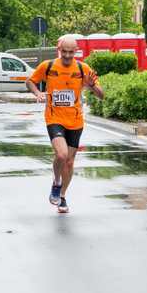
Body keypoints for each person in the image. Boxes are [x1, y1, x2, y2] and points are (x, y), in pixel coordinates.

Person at [25, 36, 104, 213]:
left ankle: (62, 196)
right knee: (61, 155)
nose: (67, 56)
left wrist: (92, 87)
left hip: (75, 121)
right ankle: (57, 181)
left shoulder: (83, 69)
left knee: (69, 162)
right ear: (58, 49)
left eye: (71, 52)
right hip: (54, 118)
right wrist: (38, 93)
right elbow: (30, 81)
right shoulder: (48, 66)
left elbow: (102, 95)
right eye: (64, 52)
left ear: (75, 51)